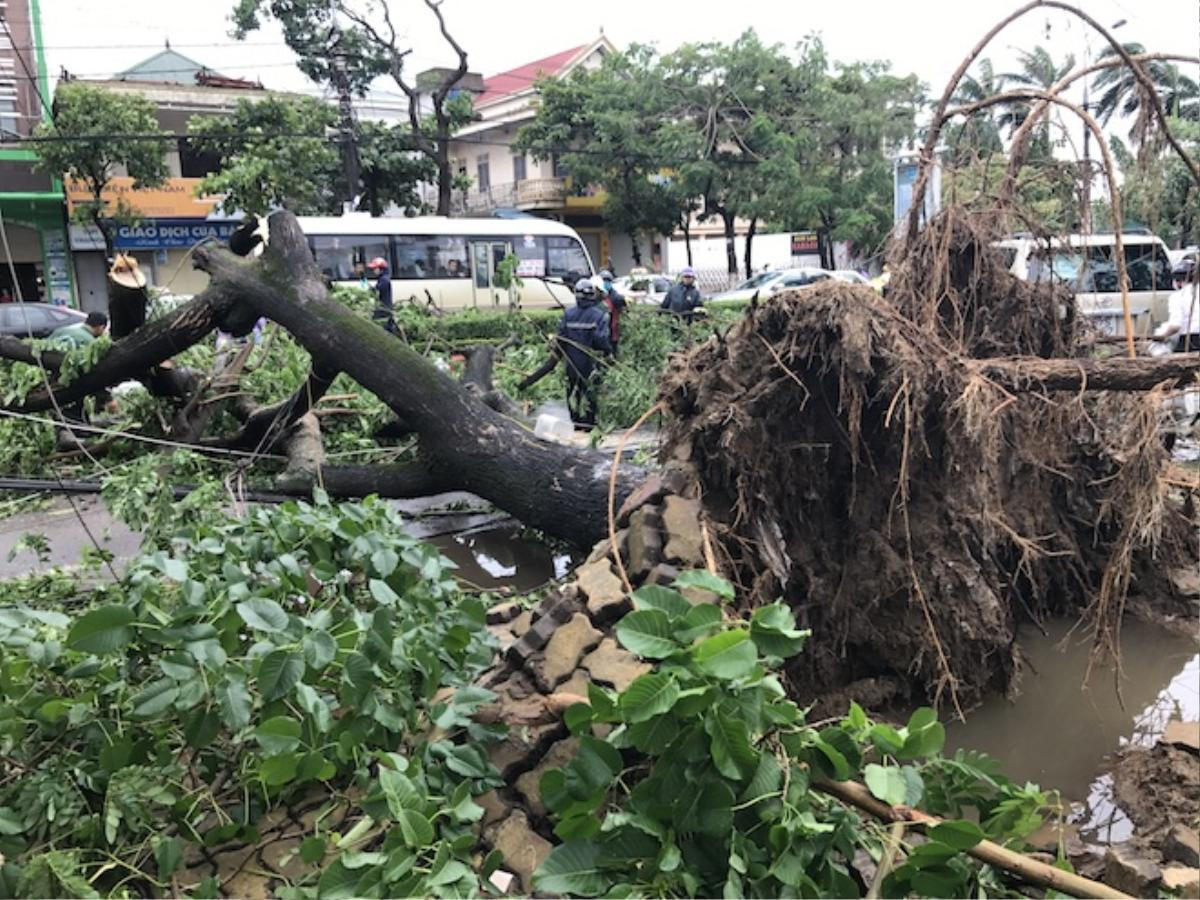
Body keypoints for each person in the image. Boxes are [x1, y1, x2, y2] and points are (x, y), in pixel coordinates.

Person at [557, 278, 612, 429]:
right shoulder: (599, 315)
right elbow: (600, 339)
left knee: (573, 391)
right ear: (592, 295)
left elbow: (560, 337)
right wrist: (608, 353)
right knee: (590, 392)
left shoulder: (568, 314)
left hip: (572, 362)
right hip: (591, 363)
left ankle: (576, 421)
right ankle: (589, 422)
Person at [1155, 260, 1199, 352]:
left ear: (1178, 281)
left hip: (1189, 342)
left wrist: (1162, 336)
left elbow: (1176, 326)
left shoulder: (1178, 297)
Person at [595, 269, 627, 355]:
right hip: (603, 333)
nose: (606, 283)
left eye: (607, 281)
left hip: (613, 332)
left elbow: (623, 310)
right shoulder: (598, 298)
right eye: (604, 280)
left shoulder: (616, 297)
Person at [367, 256, 396, 334]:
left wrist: (372, 289)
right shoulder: (382, 278)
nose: (373, 271)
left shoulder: (384, 279)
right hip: (384, 307)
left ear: (380, 269)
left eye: (375, 269)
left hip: (384, 308)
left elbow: (378, 289)